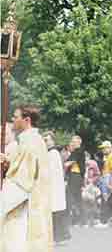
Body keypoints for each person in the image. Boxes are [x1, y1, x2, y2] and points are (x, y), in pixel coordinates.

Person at [0, 106, 53, 252]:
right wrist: (8, 162)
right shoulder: (31, 140)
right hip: (31, 202)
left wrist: (3, 203)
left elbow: (22, 183)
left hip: (24, 207)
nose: (12, 119)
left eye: (16, 117)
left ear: (26, 120)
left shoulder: (30, 143)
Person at [43, 131, 67, 245]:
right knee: (55, 212)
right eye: (44, 140)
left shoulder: (53, 153)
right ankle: (58, 237)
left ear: (52, 140)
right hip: (53, 187)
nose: (45, 142)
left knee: (55, 212)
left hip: (54, 187)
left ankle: (57, 237)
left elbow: (50, 172)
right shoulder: (50, 153)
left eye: (47, 140)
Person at [65, 135, 86, 226]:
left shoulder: (79, 150)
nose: (72, 143)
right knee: (76, 198)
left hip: (75, 176)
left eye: (74, 141)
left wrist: (65, 164)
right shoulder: (75, 151)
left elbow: (68, 163)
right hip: (74, 176)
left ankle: (77, 220)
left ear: (79, 142)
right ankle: (80, 220)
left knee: (72, 198)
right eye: (72, 141)